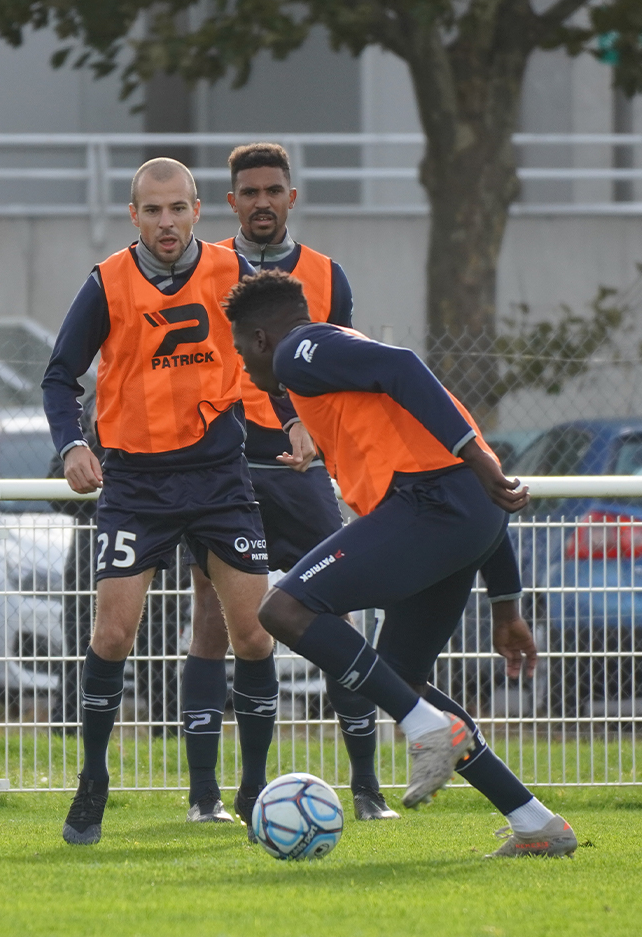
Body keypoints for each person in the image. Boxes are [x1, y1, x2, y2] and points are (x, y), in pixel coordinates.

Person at [225, 270, 577, 857]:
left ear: (261, 339)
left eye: (242, 351)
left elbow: (406, 366)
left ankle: (422, 728)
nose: (247, 367)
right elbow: (482, 494)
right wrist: (506, 606)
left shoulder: (295, 351)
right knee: (402, 679)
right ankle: (536, 823)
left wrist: (479, 462)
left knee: (283, 608)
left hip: (435, 504)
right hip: (465, 517)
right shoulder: (331, 371)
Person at [43, 157, 276, 845]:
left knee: (254, 634)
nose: (166, 223)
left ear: (199, 210)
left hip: (218, 477)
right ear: (134, 216)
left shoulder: (234, 275)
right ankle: (93, 780)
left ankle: (255, 789)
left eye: (178, 209)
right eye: (153, 211)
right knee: (113, 635)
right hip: (138, 484)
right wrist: (71, 446)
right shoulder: (108, 282)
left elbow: (274, 358)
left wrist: (295, 419)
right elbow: (60, 377)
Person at [181, 142, 399, 822]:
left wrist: (317, 429)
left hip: (300, 468)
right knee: (215, 621)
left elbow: (341, 365)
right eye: (249, 193)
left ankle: (366, 789)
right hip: (224, 467)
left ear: (292, 197)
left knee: (333, 612)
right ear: (231, 203)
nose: (262, 202)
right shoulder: (207, 269)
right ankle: (211, 797)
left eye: (273, 190)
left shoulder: (327, 276)